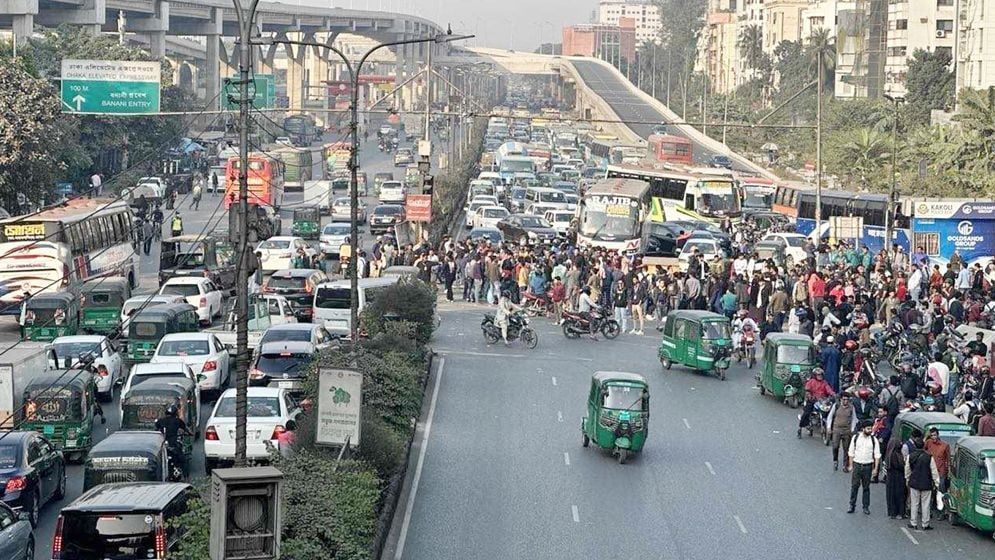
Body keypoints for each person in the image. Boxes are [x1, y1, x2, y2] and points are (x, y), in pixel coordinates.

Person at [905, 436, 940, 530]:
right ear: (924, 446)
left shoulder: (910, 456)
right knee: (926, 504)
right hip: (926, 483)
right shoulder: (929, 457)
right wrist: (937, 483)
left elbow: (907, 470)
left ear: (915, 446)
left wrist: (907, 480)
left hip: (914, 483)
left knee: (914, 503)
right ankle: (925, 524)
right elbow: (934, 472)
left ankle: (913, 523)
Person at [847, 420, 880, 514]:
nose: (870, 430)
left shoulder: (874, 440)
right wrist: (850, 465)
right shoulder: (856, 438)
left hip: (868, 466)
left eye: (871, 428)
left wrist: (875, 469)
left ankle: (866, 507)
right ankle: (851, 505)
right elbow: (851, 452)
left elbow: (877, 455)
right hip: (857, 465)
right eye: (868, 428)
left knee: (866, 487)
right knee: (854, 486)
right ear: (863, 429)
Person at [155, 404, 191, 477]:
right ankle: (186, 478)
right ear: (175, 413)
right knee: (183, 461)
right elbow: (186, 429)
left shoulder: (160, 421)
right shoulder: (178, 421)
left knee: (157, 459)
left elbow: (155, 429)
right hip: (173, 445)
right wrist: (190, 433)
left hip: (163, 445)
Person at [798, 368, 835, 438]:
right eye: (818, 375)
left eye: (821, 375)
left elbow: (829, 389)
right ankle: (800, 428)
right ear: (815, 375)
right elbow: (807, 390)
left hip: (823, 401)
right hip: (812, 400)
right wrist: (810, 396)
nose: (820, 376)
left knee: (831, 412)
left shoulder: (824, 383)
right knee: (806, 413)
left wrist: (833, 394)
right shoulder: (811, 382)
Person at [828, 392, 855, 471]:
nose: (846, 401)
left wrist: (852, 429)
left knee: (846, 448)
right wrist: (829, 427)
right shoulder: (836, 406)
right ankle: (835, 460)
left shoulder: (851, 407)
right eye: (844, 399)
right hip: (837, 429)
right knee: (835, 446)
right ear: (840, 399)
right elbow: (830, 417)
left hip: (846, 430)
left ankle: (845, 465)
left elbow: (854, 419)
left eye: (847, 400)